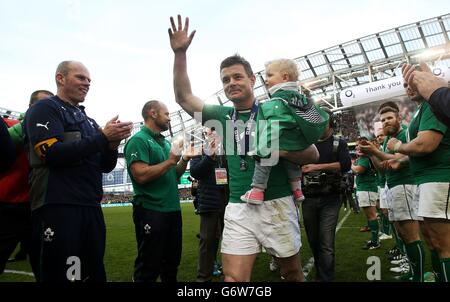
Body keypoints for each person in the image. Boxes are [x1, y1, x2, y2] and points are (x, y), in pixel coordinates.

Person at [169, 15, 319, 282]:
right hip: (238, 205)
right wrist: (180, 54)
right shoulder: (221, 116)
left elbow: (312, 155)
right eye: (225, 80)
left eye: (237, 77)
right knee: (234, 280)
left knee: (292, 273)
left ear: (252, 79)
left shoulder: (275, 111)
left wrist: (277, 149)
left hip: (277, 203)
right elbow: (183, 97)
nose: (231, 83)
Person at [24, 61, 133, 282]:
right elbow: (51, 153)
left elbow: (105, 166)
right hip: (58, 204)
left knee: (91, 271)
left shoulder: (89, 121)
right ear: (60, 78)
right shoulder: (45, 108)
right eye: (81, 78)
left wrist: (112, 144)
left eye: (89, 81)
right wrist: (102, 137)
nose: (87, 84)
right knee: (62, 273)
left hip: (90, 205)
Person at [385, 82, 450, 282]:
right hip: (424, 181)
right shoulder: (421, 109)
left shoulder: (433, 105)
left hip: (437, 179)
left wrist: (398, 146)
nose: (408, 87)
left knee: (444, 245)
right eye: (405, 85)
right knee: (432, 242)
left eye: (412, 83)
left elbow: (425, 144)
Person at [240, 59, 328, 204]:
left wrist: (262, 146)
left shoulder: (277, 101)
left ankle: (257, 190)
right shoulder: (300, 98)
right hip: (297, 140)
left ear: (285, 77)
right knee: (290, 160)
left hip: (281, 139)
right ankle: (297, 190)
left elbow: (275, 124)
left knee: (264, 159)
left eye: (269, 75)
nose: (266, 80)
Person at [124, 100, 193, 282]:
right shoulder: (138, 140)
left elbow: (174, 176)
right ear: (153, 113)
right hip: (151, 210)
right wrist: (170, 161)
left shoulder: (164, 143)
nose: (170, 118)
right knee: (149, 266)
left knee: (171, 264)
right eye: (167, 114)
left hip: (172, 210)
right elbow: (140, 175)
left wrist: (184, 159)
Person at [301, 107, 352, 281]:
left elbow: (346, 165)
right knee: (313, 240)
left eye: (321, 123)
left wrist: (316, 167)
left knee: (326, 243)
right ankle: (321, 273)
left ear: (330, 124)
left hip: (331, 198)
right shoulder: (307, 143)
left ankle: (326, 278)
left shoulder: (339, 143)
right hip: (308, 198)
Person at [4, 90, 54, 266]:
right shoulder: (11, 125)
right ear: (31, 108)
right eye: (43, 105)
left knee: (42, 260)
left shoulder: (51, 128)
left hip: (37, 205)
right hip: (8, 203)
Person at [189, 128, 229, 282]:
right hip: (209, 201)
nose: (212, 133)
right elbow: (195, 172)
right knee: (207, 241)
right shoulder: (200, 150)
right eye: (209, 132)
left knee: (229, 239)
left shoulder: (228, 149)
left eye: (215, 130)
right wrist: (210, 157)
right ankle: (203, 277)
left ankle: (229, 272)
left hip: (227, 201)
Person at [352, 138, 380, 250]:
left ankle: (375, 241)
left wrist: (351, 165)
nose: (356, 147)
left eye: (358, 145)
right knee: (370, 215)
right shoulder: (363, 157)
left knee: (372, 215)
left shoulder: (364, 158)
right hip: (365, 188)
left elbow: (358, 170)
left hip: (367, 188)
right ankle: (374, 240)